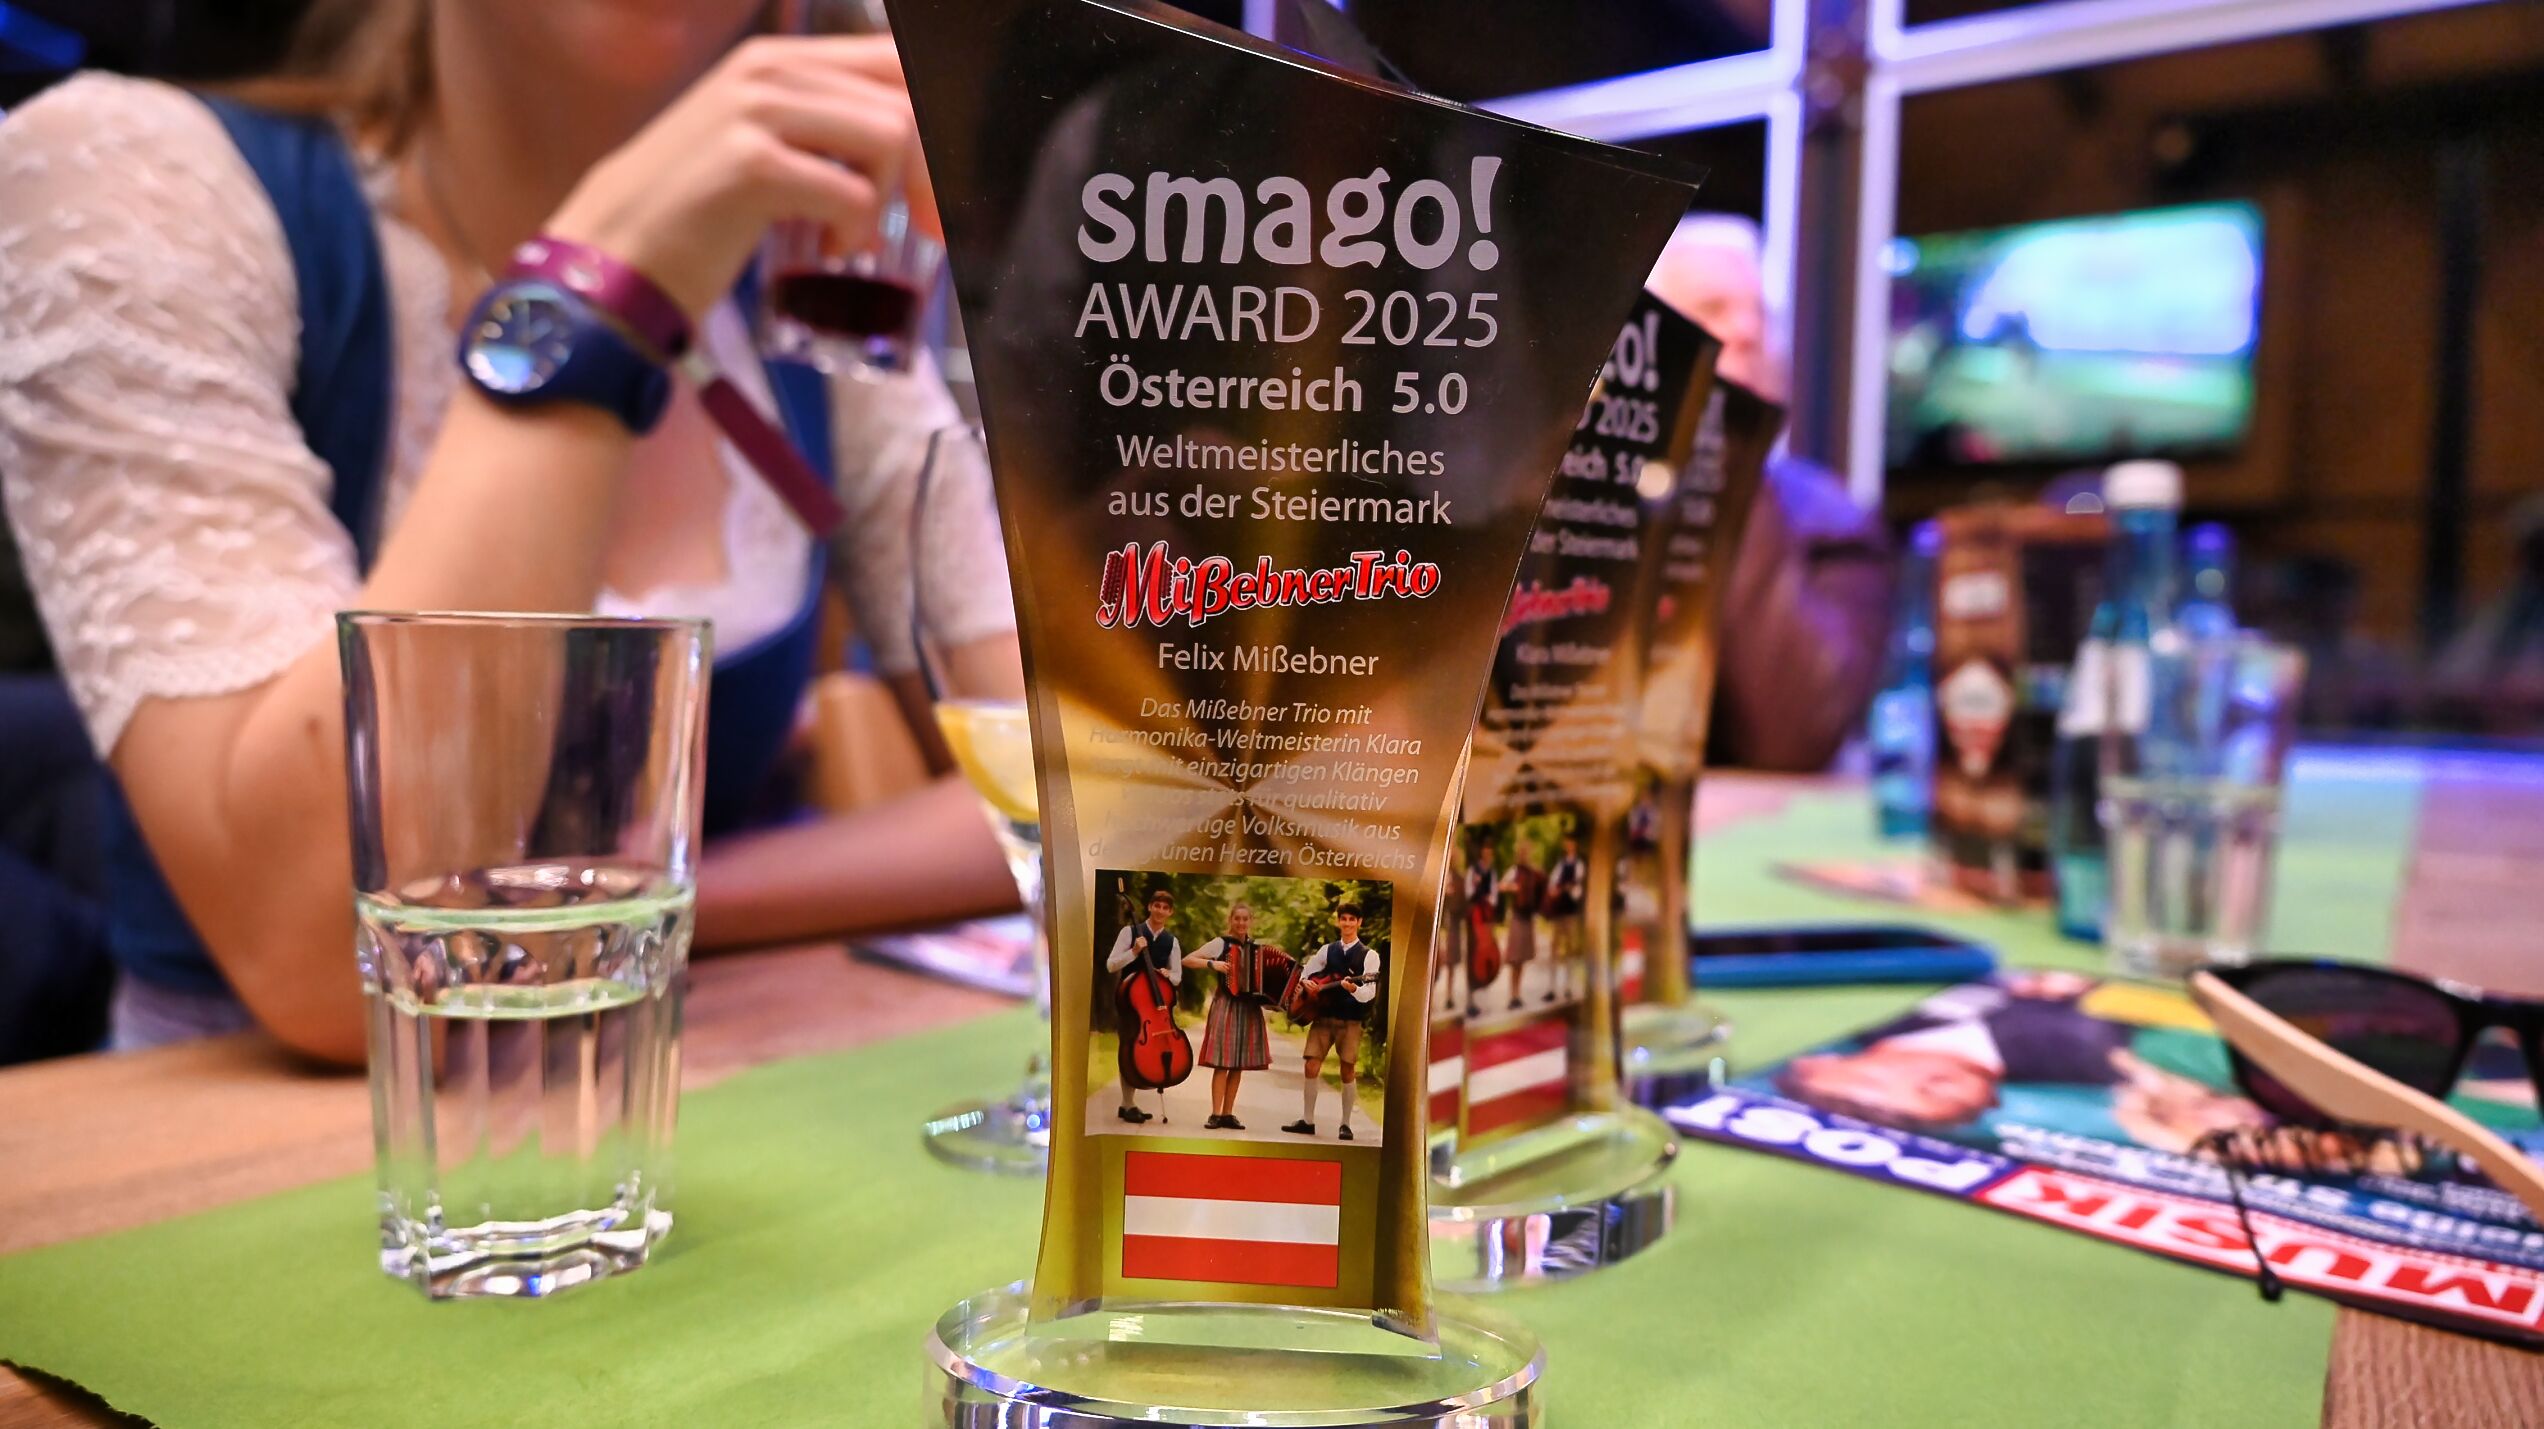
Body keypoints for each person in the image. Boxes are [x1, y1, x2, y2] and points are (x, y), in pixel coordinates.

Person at [0, 1, 1024, 1062]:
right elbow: (338, 966)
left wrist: (656, 904)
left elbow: (1072, 783)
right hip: (251, 1140)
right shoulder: (133, 182)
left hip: (709, 1081)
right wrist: (601, 292)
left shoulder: (800, 264)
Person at [1646, 213, 1893, 772]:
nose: (1748, 332)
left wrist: (1729, 455)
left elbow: (1795, 735)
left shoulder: (1832, 520)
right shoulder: (1567, 495)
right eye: (1712, 310)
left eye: (1763, 316)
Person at [1283, 903, 1380, 1141]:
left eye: (1351, 919)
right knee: (1311, 1065)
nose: (1347, 923)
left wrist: (1354, 989)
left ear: (1359, 923)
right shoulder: (1327, 950)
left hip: (1351, 1019)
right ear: (1338, 921)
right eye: (1343, 919)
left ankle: (1346, 1124)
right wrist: (1305, 982)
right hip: (1323, 1015)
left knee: (1347, 1069)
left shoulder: (1369, 956)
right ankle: (1307, 1120)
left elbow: (1369, 993)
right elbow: (1305, 972)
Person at [1183, 901, 1275, 1131]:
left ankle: (1228, 1113)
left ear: (1251, 921)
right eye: (1237, 919)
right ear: (1230, 920)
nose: (1241, 923)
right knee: (1222, 1061)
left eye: (1245, 919)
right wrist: (1213, 964)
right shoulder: (1220, 943)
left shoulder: (1257, 949)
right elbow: (1188, 960)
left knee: (1238, 1063)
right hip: (1226, 1004)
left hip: (1249, 1008)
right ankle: (1215, 1113)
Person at [1105, 885, 1183, 1124]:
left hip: (1156, 1007)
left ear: (1170, 912)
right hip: (1131, 1001)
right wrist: (1134, 952)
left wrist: (1168, 975)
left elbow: (1177, 976)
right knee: (1128, 1048)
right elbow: (1111, 965)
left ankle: (1128, 1105)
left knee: (1142, 1049)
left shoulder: (1171, 941)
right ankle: (1127, 1103)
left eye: (1165, 908)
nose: (1160, 910)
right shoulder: (1130, 932)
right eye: (1156, 905)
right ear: (1150, 907)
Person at [1498, 841, 1545, 1010]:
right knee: (1514, 959)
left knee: (1522, 959)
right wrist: (1513, 887)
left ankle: (1517, 995)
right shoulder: (1514, 871)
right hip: (1517, 917)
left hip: (1528, 918)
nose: (1524, 855)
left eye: (1526, 852)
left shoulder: (1533, 873)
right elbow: (1501, 886)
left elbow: (1540, 889)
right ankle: (1512, 996)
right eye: (1522, 852)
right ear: (1519, 854)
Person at [1542, 832, 1587, 985]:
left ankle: (1569, 985)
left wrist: (1563, 889)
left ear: (1575, 845)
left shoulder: (1579, 865)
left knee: (1569, 947)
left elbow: (1576, 889)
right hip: (1558, 909)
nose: (1568, 846)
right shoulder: (1560, 864)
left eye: (1571, 843)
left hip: (1570, 910)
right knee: (1554, 946)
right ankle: (1552, 986)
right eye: (1567, 843)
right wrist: (1554, 890)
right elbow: (1552, 883)